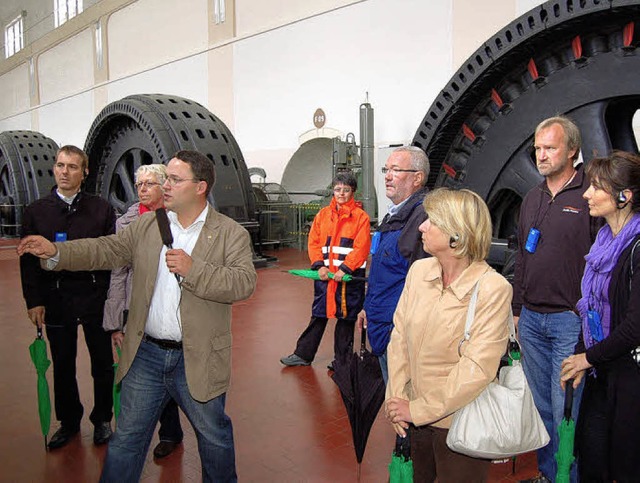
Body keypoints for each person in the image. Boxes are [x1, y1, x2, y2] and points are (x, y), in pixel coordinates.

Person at [18, 150, 257, 482]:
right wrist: (57, 252)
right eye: (166, 178)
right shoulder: (148, 224)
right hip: (146, 354)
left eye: (174, 179)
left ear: (200, 186)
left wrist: (194, 270)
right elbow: (106, 249)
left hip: (198, 356)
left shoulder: (230, 233)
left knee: (214, 438)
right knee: (126, 441)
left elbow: (244, 283)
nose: (165, 185)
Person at [385, 188, 512, 482]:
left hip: (460, 422)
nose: (421, 226)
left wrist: (416, 409)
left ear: (456, 234)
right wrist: (397, 398)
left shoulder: (493, 288)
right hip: (412, 416)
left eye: (432, 220)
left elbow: (477, 369)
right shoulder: (419, 271)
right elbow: (399, 337)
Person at [513, 116, 600, 483]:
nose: (542, 155)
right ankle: (550, 475)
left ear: (572, 151)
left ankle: (567, 476)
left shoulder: (590, 196)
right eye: (538, 148)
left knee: (567, 411)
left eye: (550, 148)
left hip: (569, 323)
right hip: (531, 320)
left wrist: (587, 325)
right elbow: (520, 254)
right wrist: (517, 311)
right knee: (541, 408)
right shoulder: (532, 198)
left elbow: (601, 263)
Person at [19, 145, 116, 449]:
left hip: (94, 298)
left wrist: (112, 302)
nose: (64, 172)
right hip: (56, 299)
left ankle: (102, 419)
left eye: (72, 167)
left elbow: (112, 255)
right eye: (60, 165)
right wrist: (33, 300)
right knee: (62, 364)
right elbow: (27, 262)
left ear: (84, 173)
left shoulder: (101, 209)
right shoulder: (36, 211)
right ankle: (69, 421)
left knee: (101, 362)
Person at [560, 151, 640, 481]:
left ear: (625, 196)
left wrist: (586, 359)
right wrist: (584, 356)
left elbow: (635, 326)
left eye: (597, 187)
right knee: (592, 461)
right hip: (601, 375)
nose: (587, 194)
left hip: (630, 381)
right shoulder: (602, 240)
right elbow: (589, 305)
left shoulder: (636, 248)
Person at [102, 163, 184, 459]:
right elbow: (118, 274)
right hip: (137, 312)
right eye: (140, 184)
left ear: (164, 186)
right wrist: (115, 323)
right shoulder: (127, 224)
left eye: (150, 183)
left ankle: (171, 432)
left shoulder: (180, 220)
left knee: (173, 373)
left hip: (170, 311)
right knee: (141, 376)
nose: (142, 189)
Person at [280, 172, 371, 367]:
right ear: (333, 191)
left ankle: (342, 361)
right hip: (325, 277)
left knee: (345, 319)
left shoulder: (360, 218)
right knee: (319, 314)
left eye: (346, 190)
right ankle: (303, 355)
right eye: (338, 189)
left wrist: (345, 269)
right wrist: (319, 266)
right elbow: (313, 242)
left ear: (352, 192)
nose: (341, 194)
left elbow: (361, 248)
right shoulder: (323, 216)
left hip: (348, 279)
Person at [356, 145, 429, 383]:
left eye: (396, 170)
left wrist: (401, 329)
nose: (387, 176)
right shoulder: (393, 216)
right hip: (382, 324)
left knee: (405, 403)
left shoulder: (422, 219)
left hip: (399, 334)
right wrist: (369, 307)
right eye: (386, 169)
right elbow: (384, 272)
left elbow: (422, 285)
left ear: (417, 178)